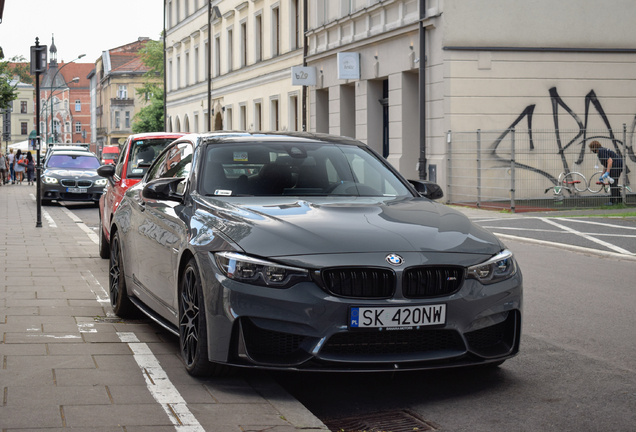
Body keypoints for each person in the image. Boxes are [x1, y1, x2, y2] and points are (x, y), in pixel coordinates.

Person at [589, 140, 624, 205]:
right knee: (613, 183)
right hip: (617, 165)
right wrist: (602, 175)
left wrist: (607, 173)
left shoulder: (601, 151)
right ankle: (619, 201)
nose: (591, 150)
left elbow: (610, 161)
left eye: (591, 148)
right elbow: (606, 164)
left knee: (612, 183)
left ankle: (612, 202)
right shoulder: (602, 150)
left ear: (594, 147)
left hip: (616, 166)